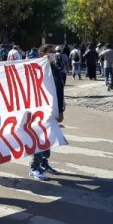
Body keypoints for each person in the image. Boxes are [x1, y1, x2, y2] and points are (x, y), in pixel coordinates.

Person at [29, 44, 64, 180]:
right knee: (40, 139)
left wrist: (60, 110)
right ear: (42, 53)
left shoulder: (54, 69)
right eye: (50, 52)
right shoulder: (35, 70)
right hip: (38, 111)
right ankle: (34, 167)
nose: (53, 54)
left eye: (53, 52)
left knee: (48, 139)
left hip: (52, 110)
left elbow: (59, 91)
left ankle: (44, 163)